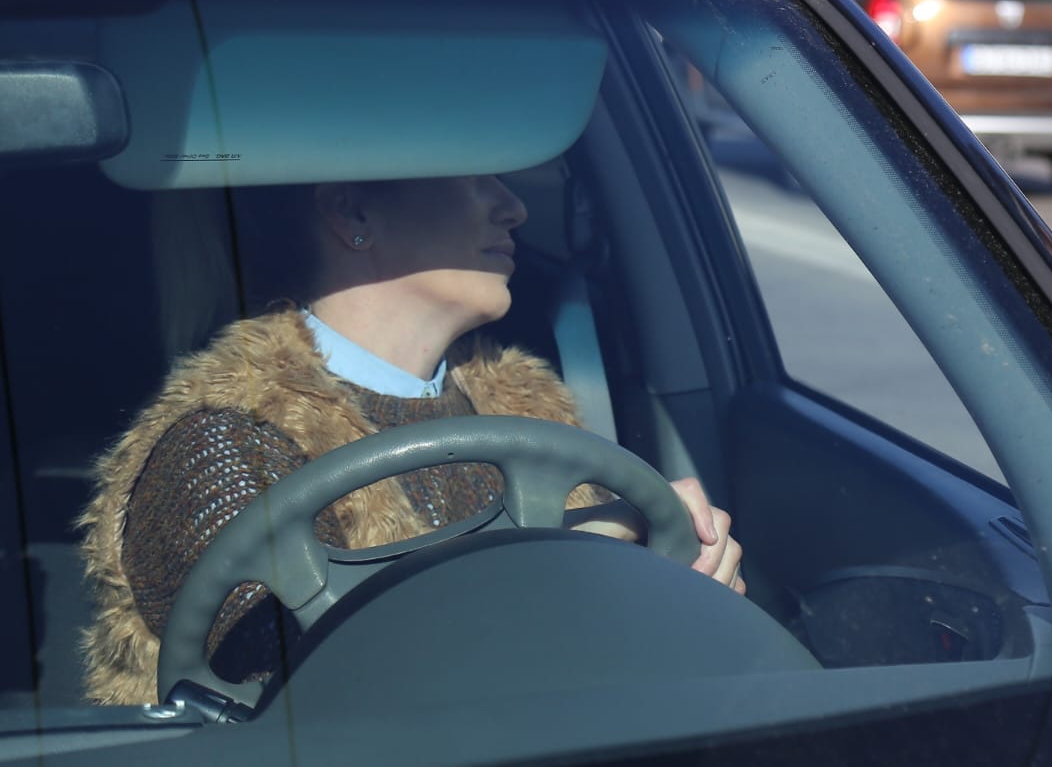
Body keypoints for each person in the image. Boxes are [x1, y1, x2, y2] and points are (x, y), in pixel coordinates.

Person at [78, 173, 742, 706]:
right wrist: (586, 559)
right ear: (353, 212)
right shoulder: (224, 444)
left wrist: (675, 583)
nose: (513, 207)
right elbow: (314, 709)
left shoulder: (531, 410)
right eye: (475, 177)